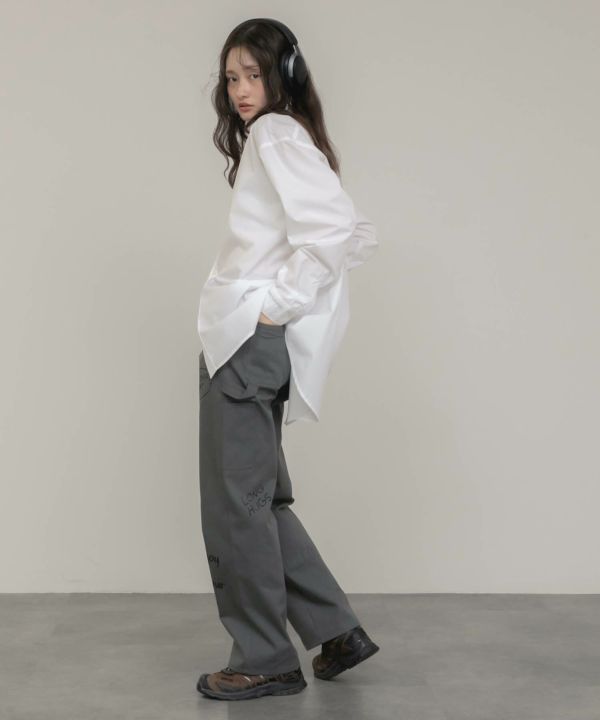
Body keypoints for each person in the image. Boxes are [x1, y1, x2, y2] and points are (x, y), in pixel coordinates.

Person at [195, 18, 380, 701]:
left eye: (255, 74)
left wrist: (272, 309)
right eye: (232, 77)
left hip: (244, 341)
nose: (242, 90)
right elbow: (353, 231)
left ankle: (265, 658)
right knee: (261, 501)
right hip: (250, 343)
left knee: (236, 508)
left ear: (284, 75)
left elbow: (336, 233)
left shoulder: (275, 132)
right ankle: (336, 630)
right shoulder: (289, 136)